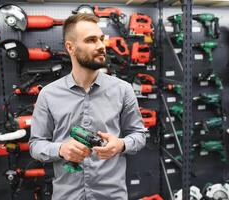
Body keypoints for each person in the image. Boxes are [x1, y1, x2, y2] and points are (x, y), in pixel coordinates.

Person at [29, 13, 146, 200]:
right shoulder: (48, 94)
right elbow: (35, 145)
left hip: (111, 195)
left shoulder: (123, 90)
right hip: (67, 195)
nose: (101, 46)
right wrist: (60, 149)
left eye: (101, 39)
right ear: (70, 47)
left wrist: (121, 144)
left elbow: (140, 135)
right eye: (91, 40)